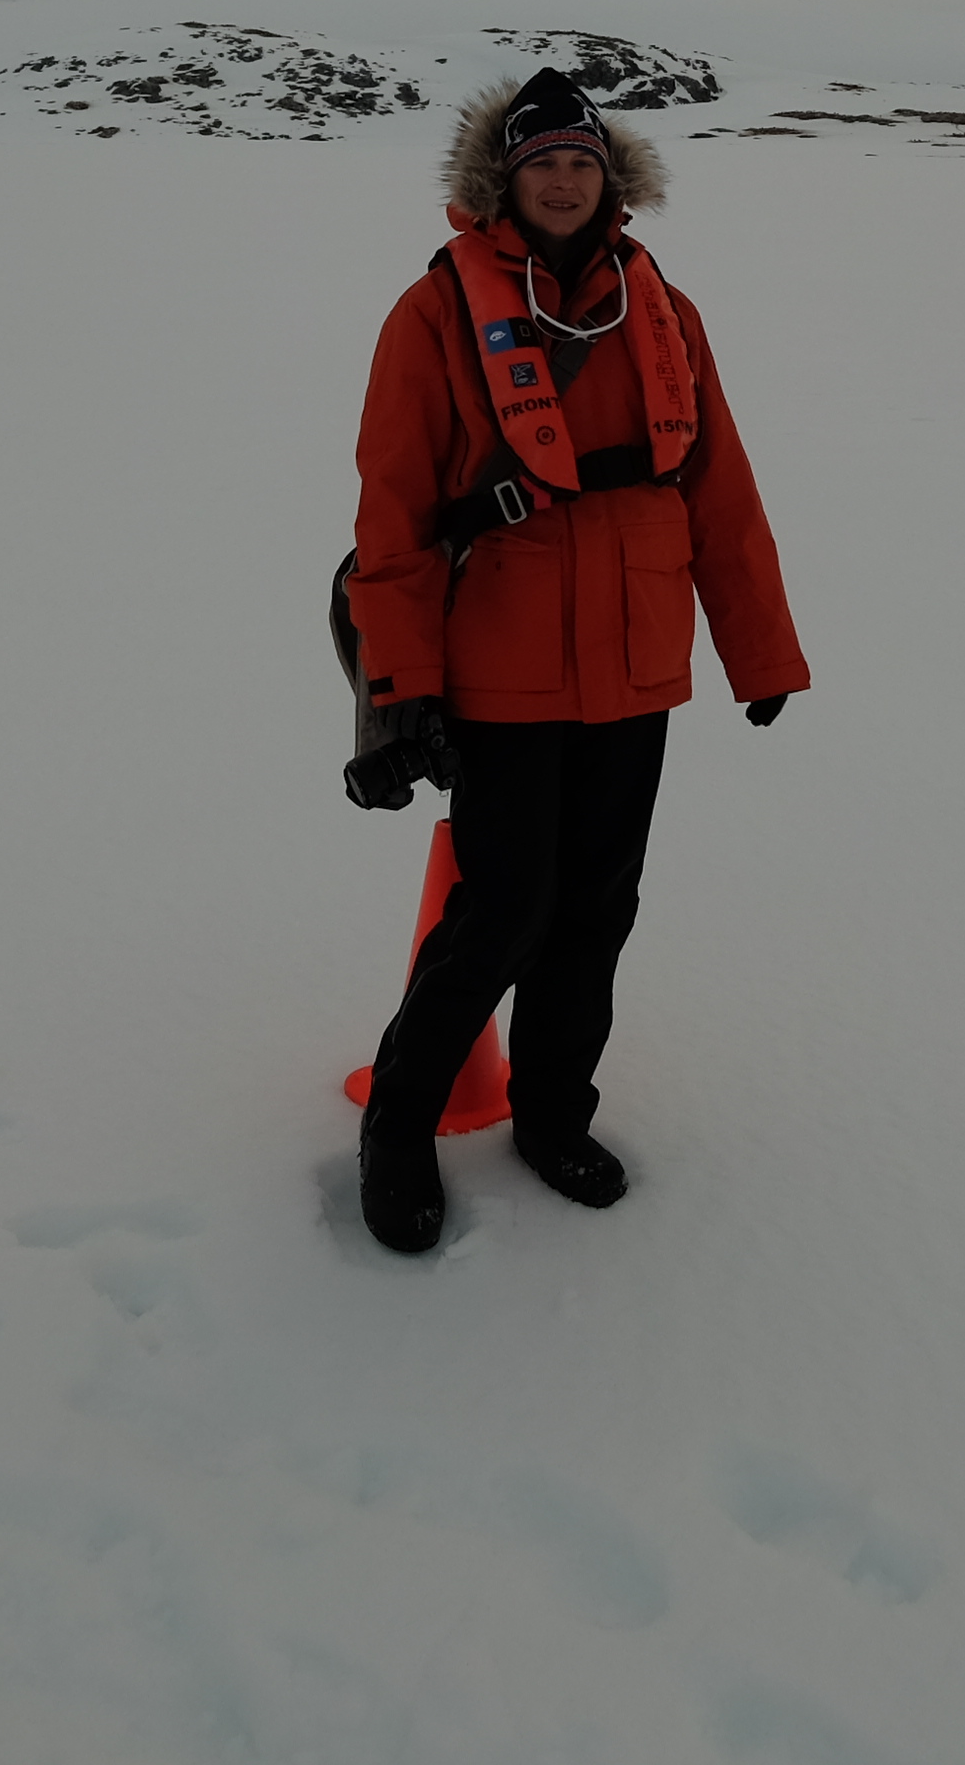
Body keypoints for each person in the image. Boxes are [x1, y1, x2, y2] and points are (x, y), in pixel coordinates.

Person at [341, 64, 811, 1255]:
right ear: (506, 179)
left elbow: (721, 490)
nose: (562, 179)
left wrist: (759, 652)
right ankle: (400, 1122)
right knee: (501, 910)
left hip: (637, 658)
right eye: (542, 161)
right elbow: (392, 517)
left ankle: (553, 1112)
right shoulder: (435, 311)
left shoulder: (664, 306)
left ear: (610, 181)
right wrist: (400, 689)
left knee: (598, 910)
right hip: (500, 656)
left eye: (582, 162)